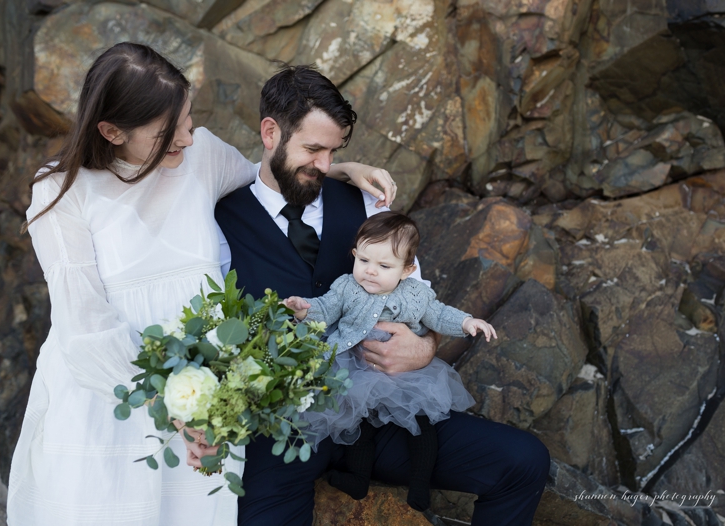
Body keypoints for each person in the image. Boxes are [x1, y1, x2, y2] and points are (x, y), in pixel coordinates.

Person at [6, 42, 397, 525]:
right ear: (111, 131)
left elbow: (272, 175)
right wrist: (171, 407)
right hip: (112, 394)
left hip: (206, 395)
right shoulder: (61, 190)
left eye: (188, 120)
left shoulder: (204, 156)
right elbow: (83, 321)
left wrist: (341, 169)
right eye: (167, 133)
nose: (188, 139)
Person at [216, 64, 549, 526]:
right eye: (313, 149)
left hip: (379, 417)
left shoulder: (369, 203)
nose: (327, 166)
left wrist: (426, 346)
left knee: (523, 460)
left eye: (335, 152)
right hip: (281, 435)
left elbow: (421, 301)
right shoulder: (218, 219)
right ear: (270, 132)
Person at [282, 211, 493, 511]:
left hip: (406, 371)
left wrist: (467, 323)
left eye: (384, 266)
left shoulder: (416, 294)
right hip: (356, 367)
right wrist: (303, 311)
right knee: (358, 423)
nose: (370, 271)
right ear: (355, 253)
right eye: (364, 260)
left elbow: (439, 314)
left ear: (407, 269)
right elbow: (326, 309)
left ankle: (420, 483)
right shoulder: (346, 287)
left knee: (421, 420)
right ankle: (357, 479)